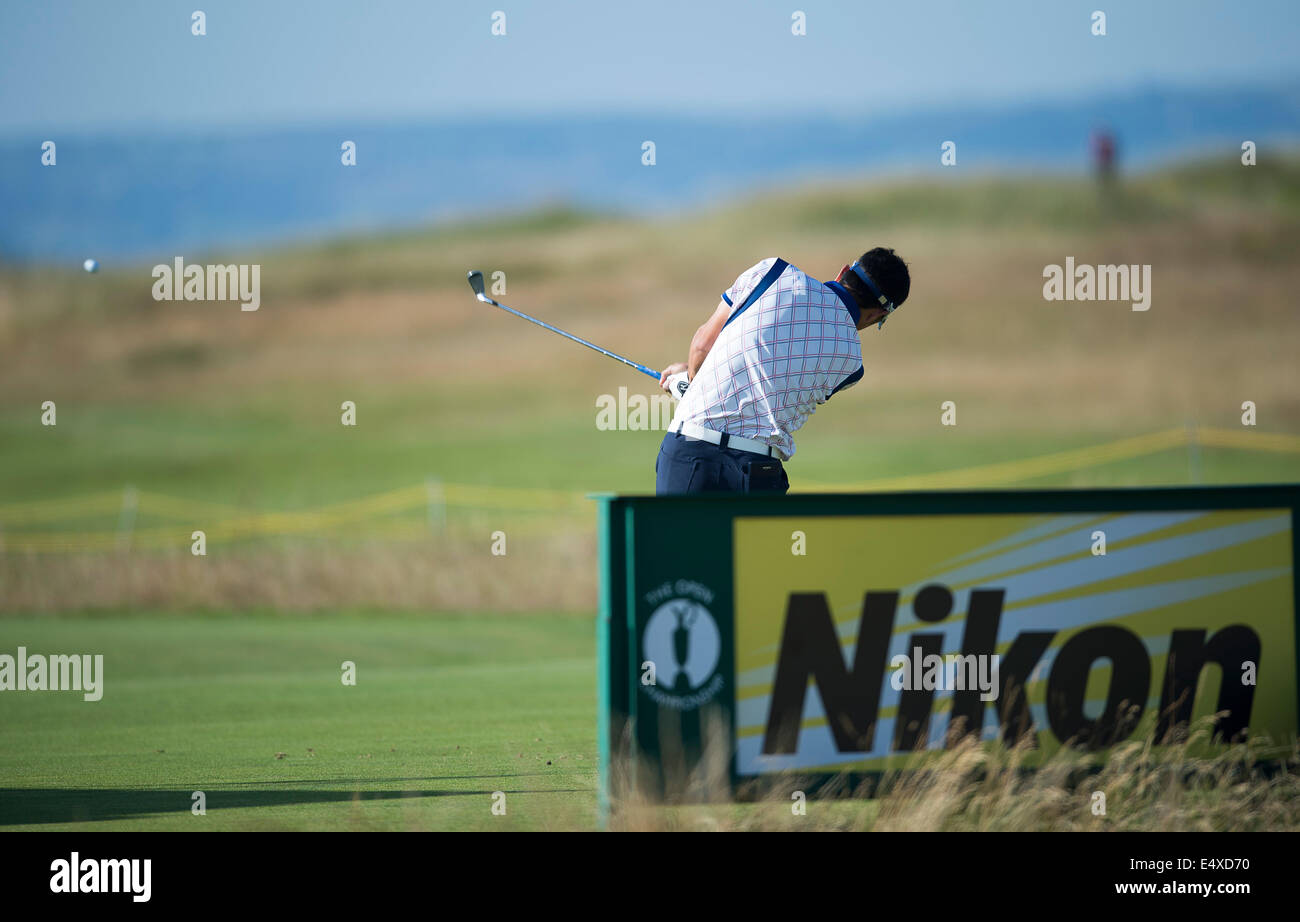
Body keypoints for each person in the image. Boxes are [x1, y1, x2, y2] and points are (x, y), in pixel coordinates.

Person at [655, 248, 910, 494]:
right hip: (759, 473)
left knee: (680, 540)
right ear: (878, 315)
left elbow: (702, 345)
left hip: (691, 454)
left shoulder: (773, 272)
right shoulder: (852, 365)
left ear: (843, 271)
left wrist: (689, 381)